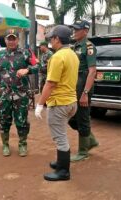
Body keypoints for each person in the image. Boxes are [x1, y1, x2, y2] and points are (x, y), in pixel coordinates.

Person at [35, 25, 79, 181]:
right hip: (71, 102)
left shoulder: (57, 57)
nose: (50, 41)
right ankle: (61, 162)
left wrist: (40, 104)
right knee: (61, 133)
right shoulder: (72, 54)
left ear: (57, 39)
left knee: (60, 137)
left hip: (60, 103)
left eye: (51, 38)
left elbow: (50, 83)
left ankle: (63, 171)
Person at [0, 29, 38, 157]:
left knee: (21, 120)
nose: (11, 41)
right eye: (8, 39)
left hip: (21, 94)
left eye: (13, 38)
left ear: (17, 40)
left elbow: (40, 66)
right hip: (4, 94)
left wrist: (27, 70)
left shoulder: (26, 53)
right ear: (5, 40)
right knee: (4, 119)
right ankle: (5, 145)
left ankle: (22, 144)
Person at [69, 20, 99, 162]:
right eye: (74, 29)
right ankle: (91, 140)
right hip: (75, 85)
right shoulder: (74, 46)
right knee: (71, 117)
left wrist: (85, 93)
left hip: (83, 85)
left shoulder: (89, 46)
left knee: (83, 118)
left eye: (77, 29)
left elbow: (92, 71)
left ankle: (83, 152)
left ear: (85, 31)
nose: (74, 31)